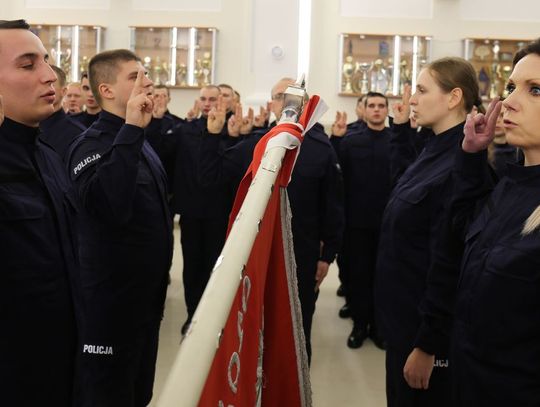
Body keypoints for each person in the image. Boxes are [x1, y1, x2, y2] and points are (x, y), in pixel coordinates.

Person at [199, 77, 344, 363]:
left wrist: (327, 256)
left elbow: (333, 207)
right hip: (256, 254)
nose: (289, 102)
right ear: (272, 104)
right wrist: (215, 137)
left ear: (305, 103)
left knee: (298, 328)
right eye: (281, 96)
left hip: (302, 255)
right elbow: (211, 181)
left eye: (295, 97)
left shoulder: (321, 148)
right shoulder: (256, 145)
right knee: (258, 324)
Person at [67, 49, 173, 406]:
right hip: (110, 307)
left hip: (145, 302)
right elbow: (110, 208)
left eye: (145, 74)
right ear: (107, 90)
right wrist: (129, 130)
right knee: (108, 396)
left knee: (138, 394)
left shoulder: (141, 140)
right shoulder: (89, 145)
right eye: (134, 76)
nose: (147, 81)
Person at [374, 57, 480, 406]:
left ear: (453, 98)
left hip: (423, 335)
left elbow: (448, 263)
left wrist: (427, 345)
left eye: (421, 90)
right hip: (402, 320)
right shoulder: (435, 146)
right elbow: (403, 189)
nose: (412, 99)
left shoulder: (460, 165)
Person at [451, 38, 540, 406]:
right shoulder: (511, 183)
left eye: (535, 90)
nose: (509, 102)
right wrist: (472, 156)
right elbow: (458, 236)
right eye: (511, 87)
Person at [0, 19, 78, 406]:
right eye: (28, 65)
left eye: (46, 61)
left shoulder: (47, 155)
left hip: (58, 365)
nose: (50, 76)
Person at [151, 85, 237, 336]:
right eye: (204, 99)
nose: (208, 103)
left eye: (213, 98)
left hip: (220, 212)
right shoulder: (185, 129)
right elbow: (159, 152)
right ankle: (192, 315)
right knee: (192, 267)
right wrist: (155, 121)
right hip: (191, 211)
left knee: (216, 266)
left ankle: (215, 317)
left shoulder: (231, 130)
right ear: (198, 102)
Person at [332, 92, 392, 350]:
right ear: (364, 110)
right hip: (356, 223)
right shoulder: (350, 141)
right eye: (372, 106)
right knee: (358, 277)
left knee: (382, 278)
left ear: (387, 110)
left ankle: (378, 328)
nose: (377, 110)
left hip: (387, 224)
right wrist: (335, 138)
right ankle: (360, 325)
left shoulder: (396, 141)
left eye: (381, 106)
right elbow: (335, 175)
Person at [39, 65, 86, 160]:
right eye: (39, 84)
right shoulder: (25, 126)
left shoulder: (77, 133)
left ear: (63, 91)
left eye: (50, 84)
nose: (42, 89)